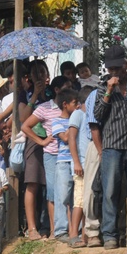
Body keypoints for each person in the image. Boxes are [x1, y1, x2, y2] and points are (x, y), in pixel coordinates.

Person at [22, 75, 75, 240]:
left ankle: (69, 229)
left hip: (70, 155)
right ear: (57, 90)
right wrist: (42, 141)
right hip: (52, 155)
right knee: (53, 192)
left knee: (69, 192)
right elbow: (25, 126)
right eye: (66, 88)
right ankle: (54, 231)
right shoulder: (45, 108)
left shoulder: (73, 107)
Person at [93, 44, 127, 249]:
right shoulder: (102, 86)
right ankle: (109, 234)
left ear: (125, 65)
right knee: (110, 191)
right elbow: (98, 115)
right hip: (112, 145)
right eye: (111, 69)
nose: (114, 72)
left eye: (118, 68)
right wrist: (109, 91)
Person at [66, 85, 100, 248]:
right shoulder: (78, 114)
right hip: (80, 164)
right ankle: (74, 234)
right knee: (79, 199)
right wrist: (77, 162)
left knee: (89, 198)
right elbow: (71, 138)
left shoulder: (91, 116)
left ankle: (85, 235)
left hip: (91, 163)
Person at [50, 88, 80, 242]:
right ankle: (61, 230)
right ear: (65, 104)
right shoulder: (56, 121)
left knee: (77, 197)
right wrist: (74, 123)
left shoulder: (79, 117)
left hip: (77, 161)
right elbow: (66, 138)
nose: (77, 106)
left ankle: (77, 230)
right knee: (62, 197)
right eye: (75, 103)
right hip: (63, 162)